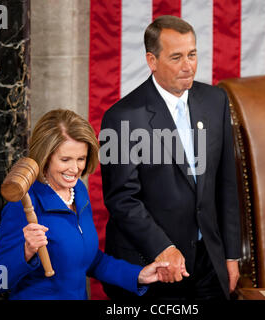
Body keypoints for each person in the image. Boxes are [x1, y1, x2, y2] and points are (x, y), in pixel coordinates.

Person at [100, 15, 241, 300]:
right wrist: (163, 247)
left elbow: (226, 183)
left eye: (192, 54)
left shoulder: (216, 101)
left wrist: (231, 254)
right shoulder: (121, 117)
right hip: (151, 264)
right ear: (152, 61)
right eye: (176, 57)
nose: (188, 66)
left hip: (209, 263)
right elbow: (121, 199)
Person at [0, 109, 169, 300]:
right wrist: (26, 251)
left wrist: (138, 275)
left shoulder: (79, 191)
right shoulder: (23, 203)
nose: (74, 169)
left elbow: (89, 260)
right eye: (65, 159)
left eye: (80, 158)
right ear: (45, 157)